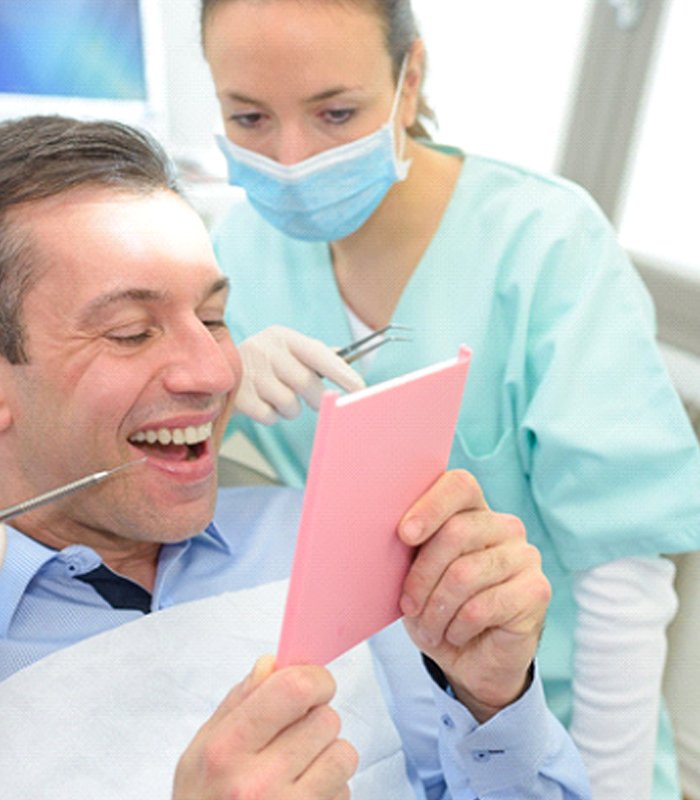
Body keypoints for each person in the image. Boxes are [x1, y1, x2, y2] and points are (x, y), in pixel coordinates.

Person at [0, 114, 591, 799]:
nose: (217, 374)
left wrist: (493, 702)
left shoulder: (323, 541)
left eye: (215, 320)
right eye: (132, 333)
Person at [200, 1, 700, 797]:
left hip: (557, 723)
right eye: (249, 116)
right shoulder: (240, 251)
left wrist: (607, 786)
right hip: (372, 729)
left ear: (410, 81)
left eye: (336, 112)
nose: (292, 156)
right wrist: (220, 387)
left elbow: (625, 579)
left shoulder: (544, 245)